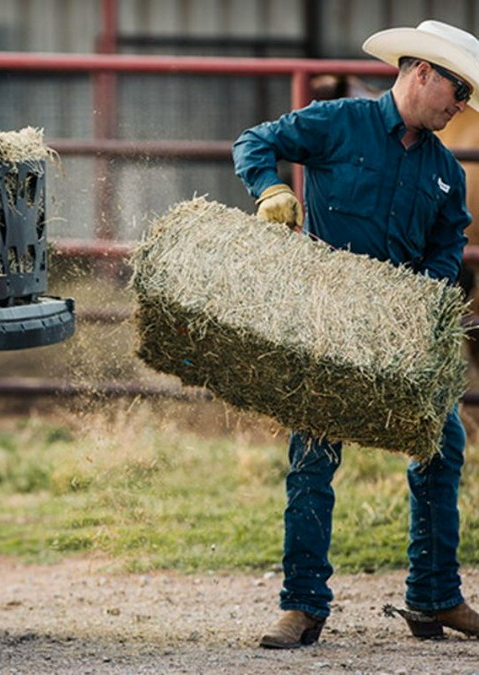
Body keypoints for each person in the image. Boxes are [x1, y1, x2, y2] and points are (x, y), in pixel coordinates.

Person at [232, 19, 479, 648]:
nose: (462, 106)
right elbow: (255, 142)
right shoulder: (337, 122)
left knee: (441, 448)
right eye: (458, 90)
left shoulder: (448, 172)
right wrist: (269, 191)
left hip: (400, 336)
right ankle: (303, 606)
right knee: (313, 459)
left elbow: (451, 236)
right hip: (330, 326)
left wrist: (430, 290)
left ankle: (434, 597)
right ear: (422, 73)